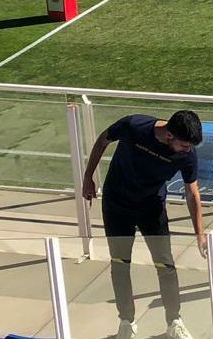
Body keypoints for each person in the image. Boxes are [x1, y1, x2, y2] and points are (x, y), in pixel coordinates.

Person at [82, 111, 205, 339]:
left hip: (152, 208)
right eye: (184, 145)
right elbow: (103, 140)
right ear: (168, 135)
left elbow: (192, 192)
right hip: (116, 204)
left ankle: (174, 322)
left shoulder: (188, 156)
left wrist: (200, 233)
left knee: (165, 264)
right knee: (120, 264)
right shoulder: (134, 126)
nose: (188, 150)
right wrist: (88, 176)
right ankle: (126, 322)